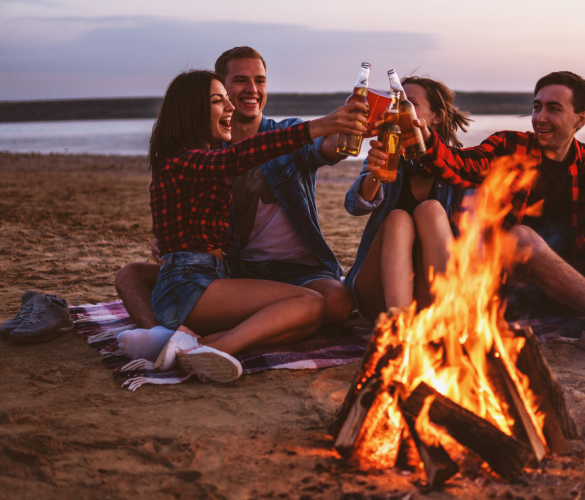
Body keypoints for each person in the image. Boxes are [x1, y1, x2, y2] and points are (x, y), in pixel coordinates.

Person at [365, 71, 585, 364]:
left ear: (581, 118)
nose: (540, 116)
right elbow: (458, 165)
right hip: (517, 286)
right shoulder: (510, 146)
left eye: (554, 108)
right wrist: (423, 138)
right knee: (522, 235)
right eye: (537, 106)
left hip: (575, 277)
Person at [115, 47, 356, 338]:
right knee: (130, 275)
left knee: (322, 308)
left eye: (260, 80)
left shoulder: (280, 133)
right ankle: (161, 336)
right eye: (239, 81)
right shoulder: (200, 155)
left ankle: (207, 336)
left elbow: (326, 149)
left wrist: (343, 132)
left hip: (255, 272)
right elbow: (232, 160)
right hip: (213, 275)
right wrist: (171, 245)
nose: (250, 90)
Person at [144, 69, 367, 382]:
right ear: (192, 109)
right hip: (188, 285)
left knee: (308, 318)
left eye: (227, 100)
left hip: (210, 279)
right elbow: (236, 158)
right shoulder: (181, 160)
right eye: (217, 101)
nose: (230, 107)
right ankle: (216, 348)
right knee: (308, 302)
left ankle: (198, 343)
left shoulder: (195, 158)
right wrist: (319, 126)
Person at [344, 76, 472, 319]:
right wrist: (375, 174)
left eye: (409, 103)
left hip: (431, 292)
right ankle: (397, 325)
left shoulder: (458, 164)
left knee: (431, 209)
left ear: (437, 116)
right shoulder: (386, 153)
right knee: (398, 218)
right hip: (377, 293)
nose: (398, 110)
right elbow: (355, 206)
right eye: (395, 103)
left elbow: (472, 237)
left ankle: (447, 317)